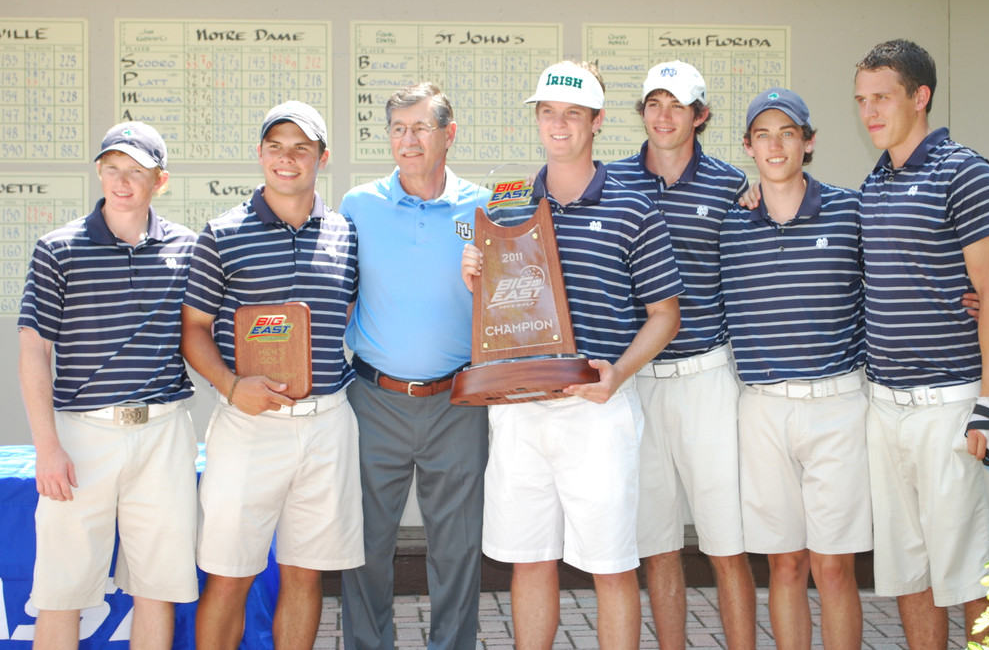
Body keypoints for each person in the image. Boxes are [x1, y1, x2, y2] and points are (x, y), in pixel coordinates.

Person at [463, 60, 683, 650]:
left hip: (595, 406)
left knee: (611, 565)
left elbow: (666, 314)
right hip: (520, 405)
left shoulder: (635, 205)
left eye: (572, 113)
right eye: (548, 111)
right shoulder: (506, 201)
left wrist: (618, 375)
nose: (558, 124)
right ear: (537, 119)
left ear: (597, 121)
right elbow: (497, 302)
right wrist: (476, 278)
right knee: (528, 560)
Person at [181, 101, 363, 650]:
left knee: (305, 573)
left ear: (322, 158)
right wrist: (233, 387)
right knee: (230, 574)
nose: (288, 159)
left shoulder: (346, 234)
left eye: (301, 148)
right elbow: (194, 329)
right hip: (248, 426)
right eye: (276, 147)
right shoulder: (222, 232)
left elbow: (350, 315)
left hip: (327, 423)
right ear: (260, 154)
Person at [853, 39, 989, 648]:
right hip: (884, 405)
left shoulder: (966, 171)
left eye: (882, 98)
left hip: (950, 405)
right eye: (861, 100)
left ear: (920, 97)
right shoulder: (875, 182)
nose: (869, 111)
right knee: (908, 573)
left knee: (971, 573)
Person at [18, 121, 198, 650]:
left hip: (164, 432)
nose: (122, 182)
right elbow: (34, 349)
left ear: (159, 181)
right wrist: (47, 446)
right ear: (100, 171)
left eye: (136, 172)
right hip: (81, 437)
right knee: (61, 590)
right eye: (113, 169)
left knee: (157, 588)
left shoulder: (187, 249)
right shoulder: (58, 248)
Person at [605, 61, 756, 650]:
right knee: (657, 545)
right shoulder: (611, 180)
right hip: (635, 379)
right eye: (653, 103)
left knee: (725, 543)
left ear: (702, 114)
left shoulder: (732, 185)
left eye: (676, 104)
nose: (663, 115)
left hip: (706, 379)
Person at [339, 82, 489, 650]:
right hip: (374, 399)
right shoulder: (358, 205)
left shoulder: (483, 207)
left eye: (421, 127)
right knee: (366, 545)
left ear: (449, 135)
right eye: (399, 128)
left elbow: (509, 300)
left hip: (458, 403)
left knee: (456, 547)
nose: (409, 140)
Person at [720, 88, 871, 649]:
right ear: (748, 146)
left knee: (834, 566)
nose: (776, 144)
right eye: (763, 134)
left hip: (838, 405)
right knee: (785, 565)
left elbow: (900, 271)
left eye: (788, 133)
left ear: (808, 142)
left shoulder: (850, 210)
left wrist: (965, 297)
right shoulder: (732, 224)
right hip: (762, 406)